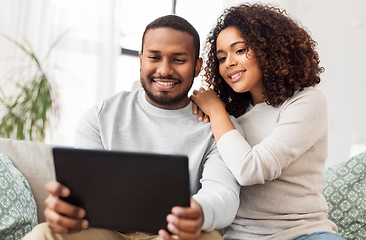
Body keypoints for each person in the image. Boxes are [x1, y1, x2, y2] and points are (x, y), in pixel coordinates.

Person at [22, 15, 241, 240]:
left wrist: (197, 213)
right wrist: (67, 207)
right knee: (43, 234)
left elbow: (223, 194)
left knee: (210, 238)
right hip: (107, 233)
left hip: (173, 234)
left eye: (178, 60)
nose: (164, 70)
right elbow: (85, 191)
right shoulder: (100, 117)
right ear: (141, 59)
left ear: (197, 67)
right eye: (154, 57)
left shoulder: (219, 125)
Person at [190, 3, 346, 240]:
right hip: (241, 236)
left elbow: (251, 170)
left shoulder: (306, 102)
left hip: (303, 234)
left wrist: (216, 111)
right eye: (221, 58)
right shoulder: (230, 113)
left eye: (240, 50)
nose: (228, 63)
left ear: (269, 50)